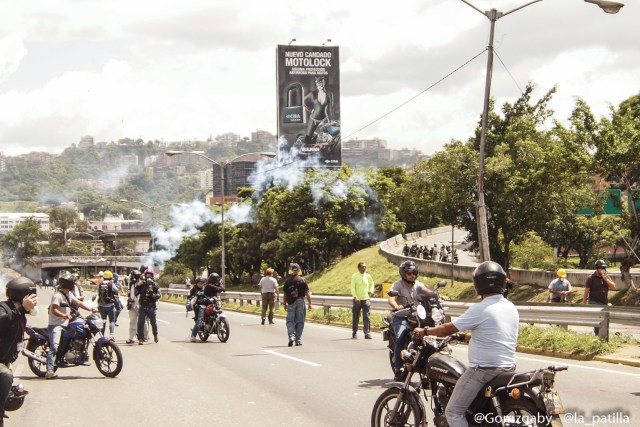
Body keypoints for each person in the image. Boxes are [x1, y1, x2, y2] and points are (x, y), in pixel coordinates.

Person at [419, 261, 519, 427]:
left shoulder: (480, 309)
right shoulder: (510, 307)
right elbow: (495, 333)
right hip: (508, 367)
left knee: (453, 412)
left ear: (479, 283)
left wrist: (425, 331)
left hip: (483, 370)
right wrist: (468, 337)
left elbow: (446, 329)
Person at [0, 276, 37, 421]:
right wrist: (22, 309)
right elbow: (2, 321)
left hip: (4, 361)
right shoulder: (3, 308)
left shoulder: (21, 315)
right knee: (5, 375)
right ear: (23, 296)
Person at [387, 260, 430, 381]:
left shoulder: (418, 285)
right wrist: (396, 306)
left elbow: (429, 292)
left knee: (428, 336)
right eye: (409, 273)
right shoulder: (398, 285)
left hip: (416, 316)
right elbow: (391, 299)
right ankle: (398, 369)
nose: (412, 275)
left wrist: (439, 297)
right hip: (401, 316)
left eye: (414, 273)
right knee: (401, 337)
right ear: (403, 274)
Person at [46, 272, 94, 379]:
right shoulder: (57, 296)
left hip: (66, 324)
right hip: (56, 325)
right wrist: (64, 315)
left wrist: (91, 309)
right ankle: (49, 370)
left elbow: (79, 303)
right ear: (69, 284)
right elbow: (53, 309)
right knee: (54, 347)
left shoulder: (68, 294)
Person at [582, 259, 617, 336]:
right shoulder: (591, 277)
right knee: (598, 318)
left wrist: (606, 279)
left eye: (604, 268)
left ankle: (603, 335)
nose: (603, 269)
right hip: (594, 301)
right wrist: (584, 303)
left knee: (605, 319)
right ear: (597, 268)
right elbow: (586, 291)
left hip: (604, 301)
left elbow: (613, 286)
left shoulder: (606, 276)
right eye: (601, 268)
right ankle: (597, 334)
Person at [283, 263, 311, 347]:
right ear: (298, 270)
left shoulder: (288, 280)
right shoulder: (302, 280)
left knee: (290, 320)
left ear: (292, 270)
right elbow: (307, 293)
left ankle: (291, 336)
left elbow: (284, 294)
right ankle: (298, 340)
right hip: (300, 301)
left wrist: (284, 303)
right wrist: (310, 302)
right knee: (300, 321)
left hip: (291, 302)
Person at [303, 76, 334, 144]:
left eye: (321, 83)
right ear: (316, 84)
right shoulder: (312, 94)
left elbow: (330, 108)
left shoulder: (328, 94)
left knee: (325, 140)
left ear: (324, 83)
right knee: (307, 139)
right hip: (313, 119)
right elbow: (303, 101)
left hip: (323, 120)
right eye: (318, 84)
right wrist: (310, 110)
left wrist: (331, 120)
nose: (320, 85)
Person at [350, 261, 375, 339]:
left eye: (365, 267)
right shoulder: (355, 276)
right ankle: (354, 333)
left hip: (366, 299)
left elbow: (372, 283)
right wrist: (355, 296)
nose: (364, 268)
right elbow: (352, 287)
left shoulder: (368, 276)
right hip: (357, 300)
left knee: (366, 317)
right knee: (356, 317)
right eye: (362, 267)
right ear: (359, 268)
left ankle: (367, 333)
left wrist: (371, 290)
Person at [136, 268, 160, 345]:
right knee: (141, 322)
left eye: (150, 275)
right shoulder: (142, 284)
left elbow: (158, 295)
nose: (148, 276)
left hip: (151, 306)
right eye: (147, 275)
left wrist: (152, 294)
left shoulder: (155, 285)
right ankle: (140, 338)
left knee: (153, 322)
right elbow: (136, 290)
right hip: (143, 306)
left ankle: (155, 335)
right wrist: (140, 283)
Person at [125, 269, 148, 344]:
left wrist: (141, 282)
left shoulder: (143, 284)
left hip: (141, 305)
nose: (131, 277)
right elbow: (130, 293)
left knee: (143, 322)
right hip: (132, 305)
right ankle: (132, 338)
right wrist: (129, 300)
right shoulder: (131, 283)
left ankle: (145, 336)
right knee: (132, 321)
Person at [97, 270, 118, 339]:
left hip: (101, 305)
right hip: (110, 305)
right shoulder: (111, 284)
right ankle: (111, 335)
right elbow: (116, 290)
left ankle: (102, 336)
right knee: (112, 321)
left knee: (103, 320)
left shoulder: (100, 284)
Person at [188, 277, 206, 342]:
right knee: (200, 320)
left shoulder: (205, 288)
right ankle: (193, 335)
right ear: (196, 283)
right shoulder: (194, 289)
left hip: (205, 303)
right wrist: (195, 296)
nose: (201, 285)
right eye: (199, 283)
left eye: (202, 283)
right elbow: (190, 297)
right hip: (198, 305)